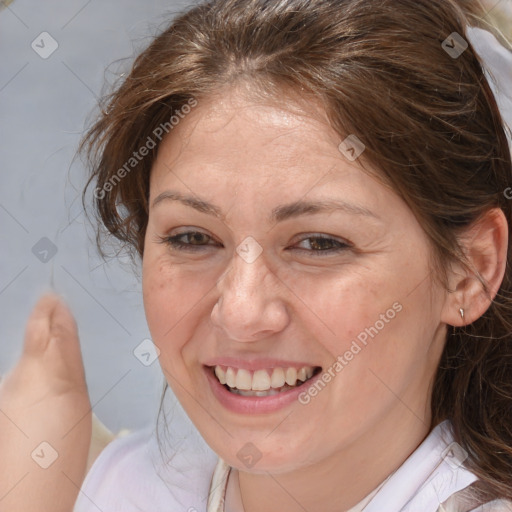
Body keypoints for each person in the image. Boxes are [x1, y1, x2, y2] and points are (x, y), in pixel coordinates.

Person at [1, 0, 511, 511]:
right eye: (193, 238)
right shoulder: (113, 490)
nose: (242, 314)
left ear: (471, 270)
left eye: (319, 243)